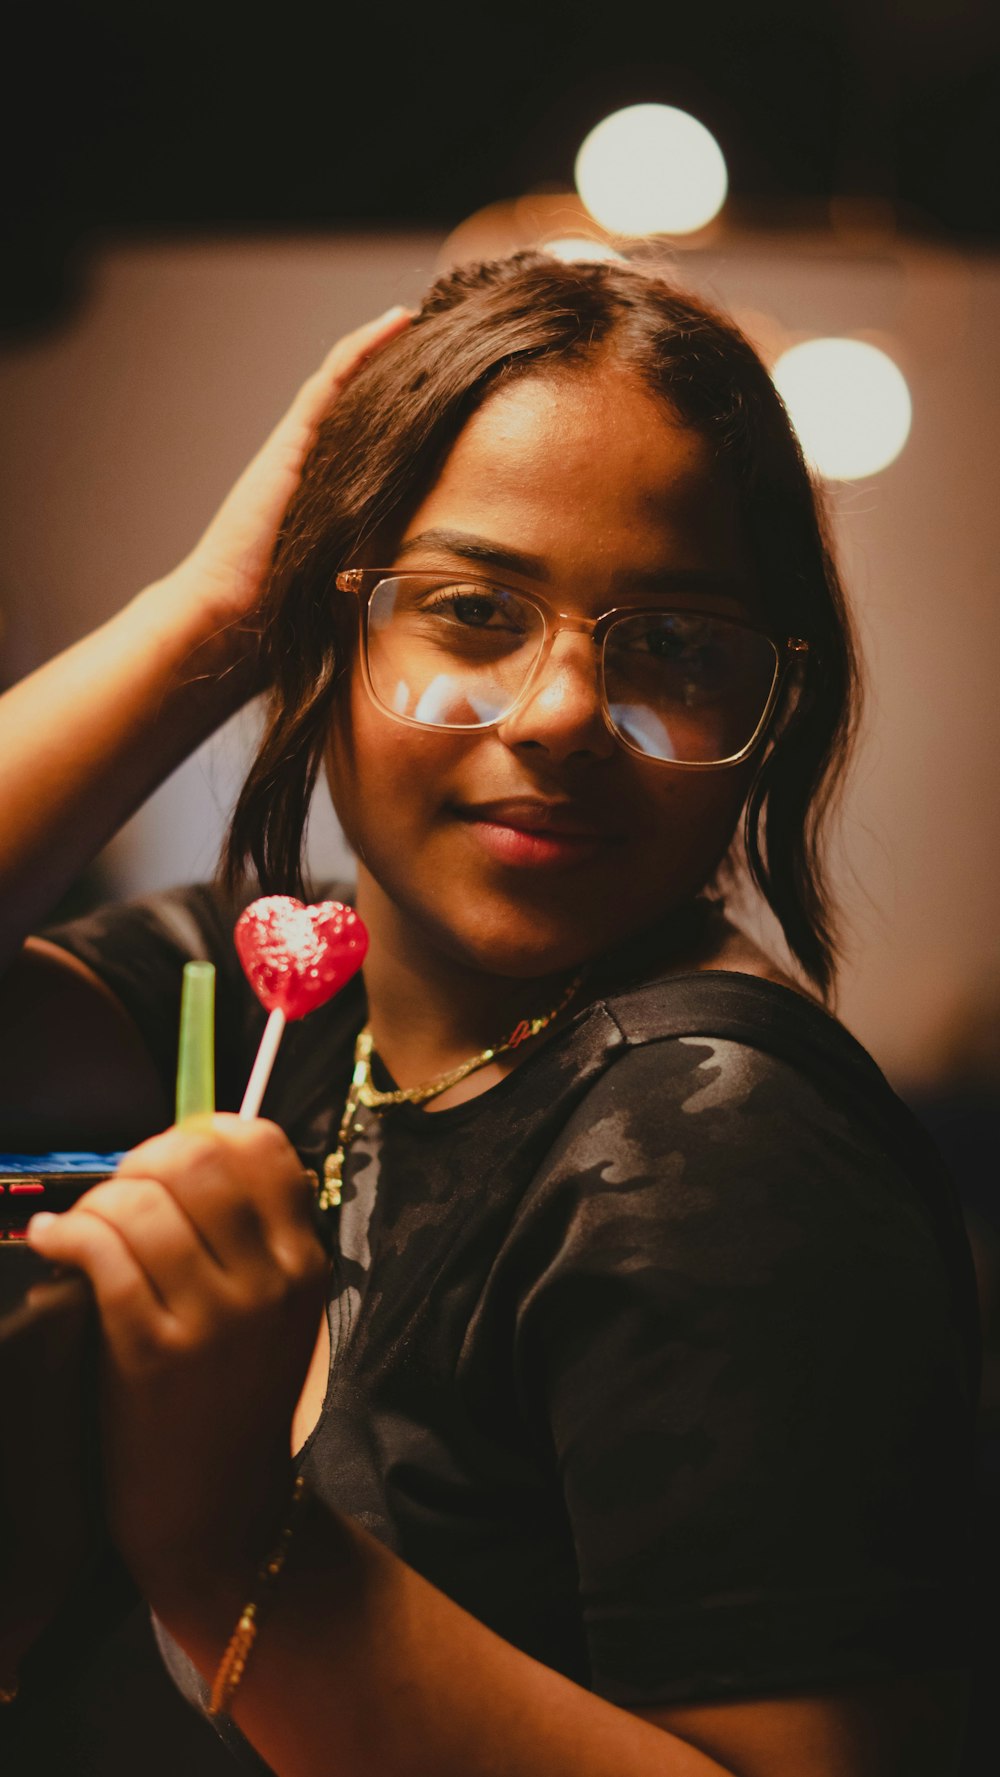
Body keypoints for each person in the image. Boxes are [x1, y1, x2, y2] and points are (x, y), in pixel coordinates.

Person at [0, 253, 981, 1776]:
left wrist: (239, 1547)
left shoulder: (710, 1143)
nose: (565, 711)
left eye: (671, 641)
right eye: (469, 610)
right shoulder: (291, 992)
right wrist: (206, 612)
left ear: (770, 697)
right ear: (328, 636)